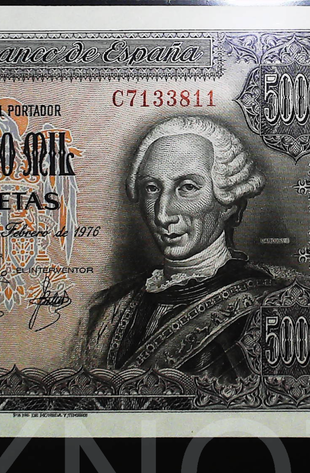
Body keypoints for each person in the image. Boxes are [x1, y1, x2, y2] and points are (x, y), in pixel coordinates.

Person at [78, 115, 288, 383]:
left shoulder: (273, 305)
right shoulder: (103, 309)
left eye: (187, 187)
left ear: (229, 204)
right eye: (151, 188)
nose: (162, 214)